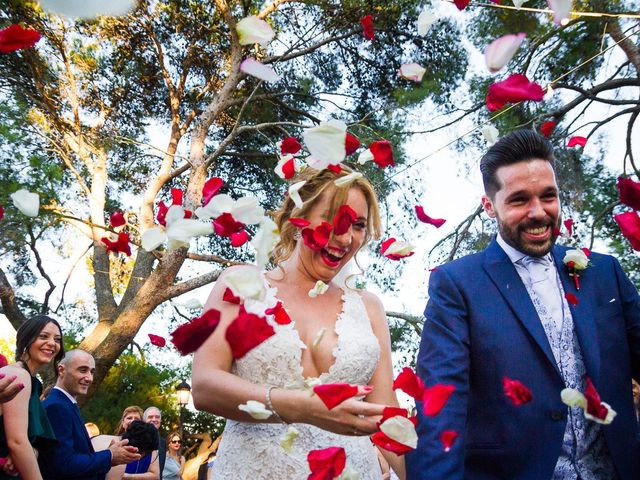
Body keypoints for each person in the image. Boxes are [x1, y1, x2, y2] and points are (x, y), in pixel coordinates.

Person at [406, 129, 640, 479]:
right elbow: (441, 405)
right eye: (519, 200)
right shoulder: (457, 285)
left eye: (548, 196)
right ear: (489, 206)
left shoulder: (603, 273)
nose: (538, 212)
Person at [192, 167, 404, 479]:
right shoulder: (240, 285)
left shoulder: (369, 307)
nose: (346, 238)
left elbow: (385, 413)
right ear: (298, 216)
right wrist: (304, 407)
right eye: (335, 219)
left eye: (358, 226)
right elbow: (204, 385)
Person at [38, 349, 141, 479]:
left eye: (92, 372)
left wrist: (108, 456)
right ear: (61, 370)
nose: (89, 378)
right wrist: (109, 455)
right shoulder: (56, 406)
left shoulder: (67, 405)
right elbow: (64, 464)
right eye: (82, 370)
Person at [0, 315, 62, 480]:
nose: (52, 343)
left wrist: (33, 450)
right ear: (26, 340)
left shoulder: (33, 382)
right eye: (43, 336)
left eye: (57, 339)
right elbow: (17, 442)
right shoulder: (19, 376)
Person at [114, 406, 159, 479]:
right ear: (123, 423)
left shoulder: (150, 446)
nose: (133, 421)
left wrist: (127, 476)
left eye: (136, 419)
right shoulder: (115, 443)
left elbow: (155, 475)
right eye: (129, 418)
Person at [143, 407, 165, 475]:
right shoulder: (138, 439)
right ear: (144, 420)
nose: (154, 419)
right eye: (150, 417)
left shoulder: (163, 442)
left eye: (157, 417)